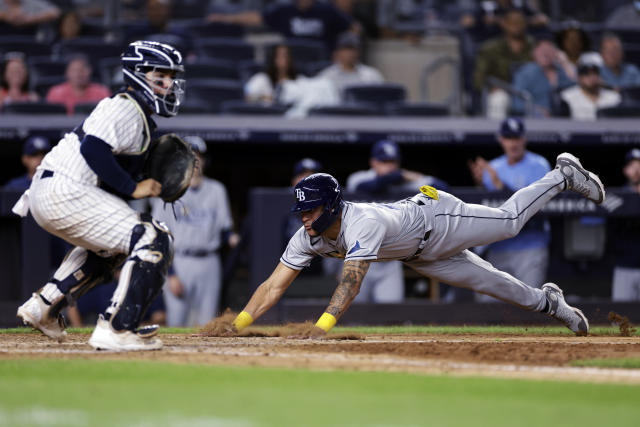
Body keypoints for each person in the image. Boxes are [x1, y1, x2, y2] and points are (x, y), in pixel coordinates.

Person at [225, 151, 605, 338]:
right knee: (496, 285)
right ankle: (551, 303)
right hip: (420, 256)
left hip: (437, 220)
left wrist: (321, 327)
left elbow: (350, 283)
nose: (304, 217)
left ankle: (562, 175)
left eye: (311, 210)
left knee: (508, 222)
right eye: (301, 211)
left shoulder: (363, 222)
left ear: (332, 206)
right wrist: (239, 324)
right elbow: (273, 284)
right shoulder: (305, 236)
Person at [13, 40, 186, 351]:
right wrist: (134, 187)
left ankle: (44, 307)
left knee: (113, 249)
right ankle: (118, 327)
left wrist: (139, 178)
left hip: (55, 192)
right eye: (161, 76)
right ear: (138, 75)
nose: (169, 84)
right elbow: (93, 148)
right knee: (154, 236)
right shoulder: (125, 106)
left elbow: (104, 170)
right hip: (65, 189)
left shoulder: (138, 116)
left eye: (171, 77)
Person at [150, 136, 239, 327]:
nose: (195, 163)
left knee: (207, 322)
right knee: (176, 320)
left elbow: (225, 227)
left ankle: (204, 358)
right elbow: (159, 235)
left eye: (199, 158)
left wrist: (231, 237)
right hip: (180, 262)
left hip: (209, 261)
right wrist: (170, 273)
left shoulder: (217, 190)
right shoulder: (169, 191)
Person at [468, 118, 550, 301]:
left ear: (524, 139)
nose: (513, 143)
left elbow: (530, 206)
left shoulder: (539, 165)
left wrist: (499, 185)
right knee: (488, 304)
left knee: (531, 304)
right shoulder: (494, 167)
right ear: (501, 139)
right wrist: (481, 185)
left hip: (530, 245)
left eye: (517, 138)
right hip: (498, 246)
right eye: (508, 138)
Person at [207, 0, 356, 52]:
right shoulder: (284, 10)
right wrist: (226, 18)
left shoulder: (326, 10)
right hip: (290, 61)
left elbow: (352, 27)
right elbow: (257, 18)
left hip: (322, 61)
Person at [473, 9, 533, 119]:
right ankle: (498, 135)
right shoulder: (490, 48)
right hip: (503, 91)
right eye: (512, 23)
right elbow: (479, 79)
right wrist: (491, 87)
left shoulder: (535, 46)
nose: (516, 26)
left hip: (530, 92)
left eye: (520, 22)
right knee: (498, 99)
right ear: (504, 24)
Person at [511, 37, 574, 117]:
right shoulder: (525, 73)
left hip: (566, 118)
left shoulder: (562, 71)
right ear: (533, 53)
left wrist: (565, 63)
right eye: (542, 50)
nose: (546, 54)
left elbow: (577, 87)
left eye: (549, 50)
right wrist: (536, 110)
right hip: (536, 120)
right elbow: (517, 102)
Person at [611, 148, 640, 301]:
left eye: (639, 165)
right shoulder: (618, 196)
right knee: (620, 320)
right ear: (625, 170)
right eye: (632, 166)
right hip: (624, 266)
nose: (636, 170)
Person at [317, 32, 384, 95]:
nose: (350, 53)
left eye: (353, 49)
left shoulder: (372, 74)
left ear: (359, 52)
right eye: (345, 49)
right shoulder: (326, 76)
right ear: (337, 53)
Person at [560, 52, 621, 120]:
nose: (591, 77)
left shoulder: (613, 98)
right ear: (579, 76)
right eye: (586, 73)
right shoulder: (567, 97)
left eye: (594, 73)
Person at [45, 54, 111, 115]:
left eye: (82, 70)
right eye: (74, 70)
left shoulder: (101, 92)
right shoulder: (56, 93)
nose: (78, 74)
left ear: (90, 71)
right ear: (67, 72)